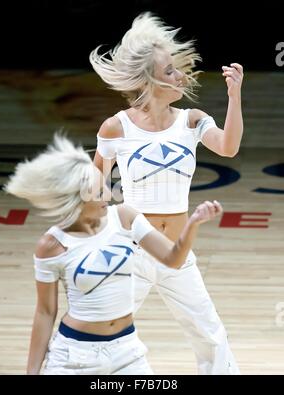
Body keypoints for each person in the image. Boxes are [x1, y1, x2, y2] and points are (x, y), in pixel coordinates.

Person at [90, 12, 243, 374]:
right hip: (131, 251)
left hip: (177, 253)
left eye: (176, 67)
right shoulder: (117, 127)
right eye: (170, 70)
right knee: (105, 331)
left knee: (210, 334)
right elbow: (94, 186)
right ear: (148, 80)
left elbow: (228, 147)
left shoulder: (189, 121)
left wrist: (234, 96)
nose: (181, 75)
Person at [4, 134, 222, 375]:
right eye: (98, 193)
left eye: (106, 187)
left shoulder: (124, 217)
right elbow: (45, 312)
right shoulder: (52, 245)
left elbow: (174, 259)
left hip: (128, 353)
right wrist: (31, 372)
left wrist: (193, 223)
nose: (108, 196)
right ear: (74, 199)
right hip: (74, 357)